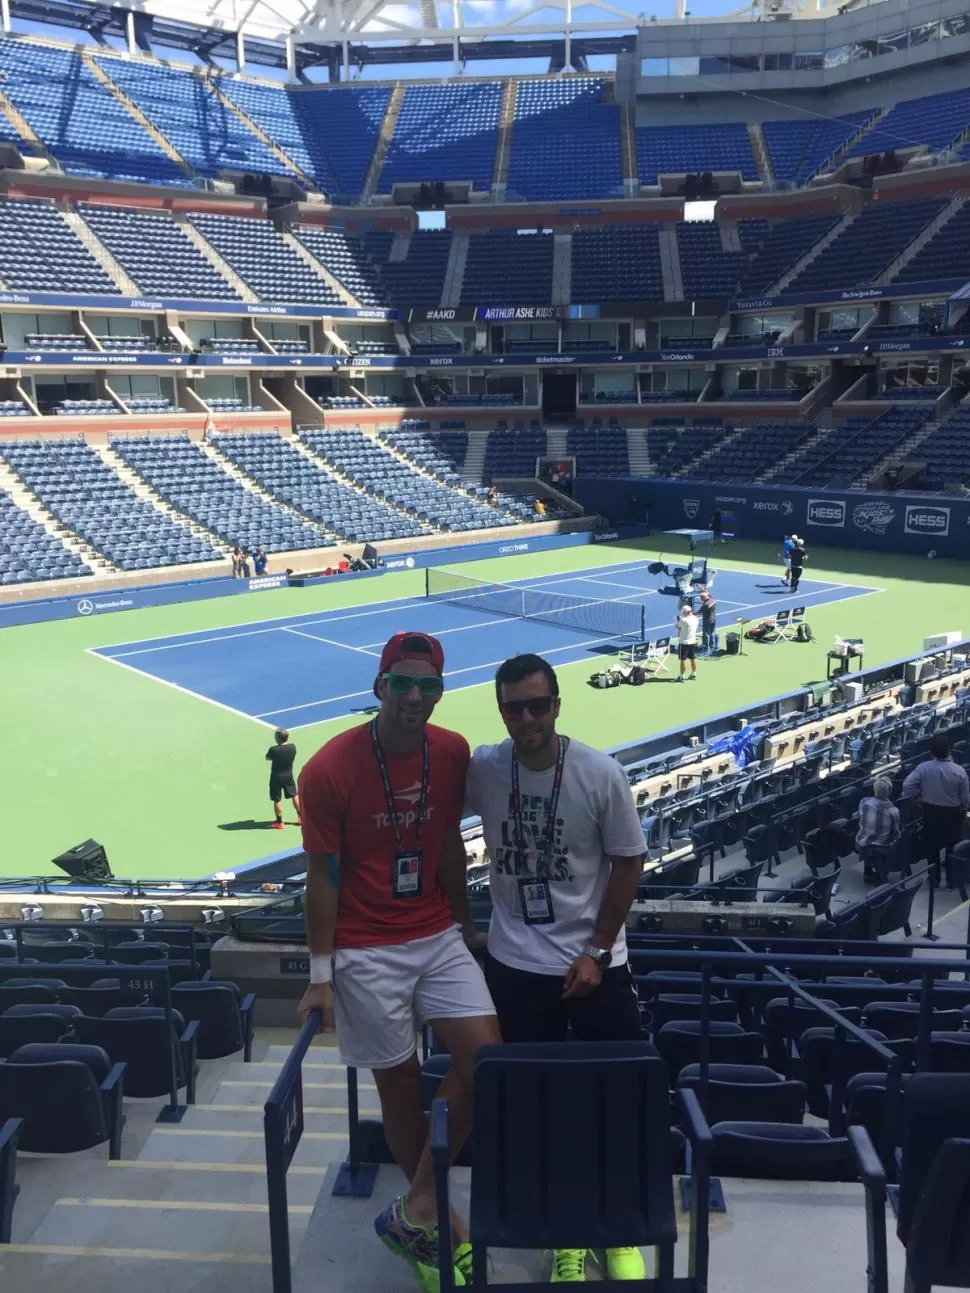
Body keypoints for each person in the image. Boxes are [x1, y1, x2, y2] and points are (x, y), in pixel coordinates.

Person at [297, 631, 500, 1291]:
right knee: (401, 1087)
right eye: (403, 682)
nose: (415, 695)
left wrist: (466, 923)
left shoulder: (453, 751)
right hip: (364, 947)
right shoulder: (327, 769)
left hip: (436, 931)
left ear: (440, 690)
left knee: (487, 1062)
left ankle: (415, 1207)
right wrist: (321, 977)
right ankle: (438, 1223)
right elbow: (322, 877)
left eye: (429, 684)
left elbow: (445, 840)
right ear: (379, 685)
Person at [466, 653, 647, 1285]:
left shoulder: (600, 774)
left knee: (617, 1099)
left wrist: (596, 950)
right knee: (534, 1106)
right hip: (515, 968)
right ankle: (565, 1232)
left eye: (536, 705)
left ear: (557, 706)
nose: (525, 718)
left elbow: (628, 862)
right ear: (501, 712)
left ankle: (619, 1225)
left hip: (596, 967)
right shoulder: (486, 769)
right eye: (512, 707)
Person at [902, 734, 970, 888]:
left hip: (931, 813)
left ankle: (934, 880)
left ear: (931, 752)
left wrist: (916, 799)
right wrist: (963, 809)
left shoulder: (923, 768)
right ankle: (952, 881)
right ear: (949, 751)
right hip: (953, 814)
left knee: (932, 849)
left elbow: (907, 786)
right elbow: (965, 798)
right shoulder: (959, 771)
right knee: (952, 848)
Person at [855, 777, 901, 881]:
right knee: (895, 842)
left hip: (861, 843)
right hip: (882, 847)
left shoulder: (864, 802)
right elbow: (895, 833)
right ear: (889, 791)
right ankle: (882, 875)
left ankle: (868, 871)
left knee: (867, 833)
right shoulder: (893, 811)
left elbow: (861, 819)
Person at [266, 727, 300, 829]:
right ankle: (301, 817)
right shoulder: (293, 747)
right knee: (294, 795)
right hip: (289, 776)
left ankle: (279, 822)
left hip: (276, 777)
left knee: (277, 800)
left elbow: (267, 758)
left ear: (278, 738)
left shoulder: (274, 750)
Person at [675, 604, 699, 681]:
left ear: (686, 612)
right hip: (693, 642)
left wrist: (677, 622)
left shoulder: (683, 620)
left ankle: (681, 677)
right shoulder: (696, 619)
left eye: (683, 613)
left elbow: (678, 628)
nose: (682, 614)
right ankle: (694, 674)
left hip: (684, 643)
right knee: (693, 659)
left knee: (683, 660)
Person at [698, 588, 717, 656]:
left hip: (707, 621)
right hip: (713, 620)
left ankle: (706, 649)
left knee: (706, 635)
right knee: (712, 634)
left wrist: (691, 613)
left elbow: (699, 612)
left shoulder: (705, 605)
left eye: (701, 598)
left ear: (703, 597)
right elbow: (707, 592)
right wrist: (700, 587)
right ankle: (712, 647)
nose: (700, 599)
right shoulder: (713, 600)